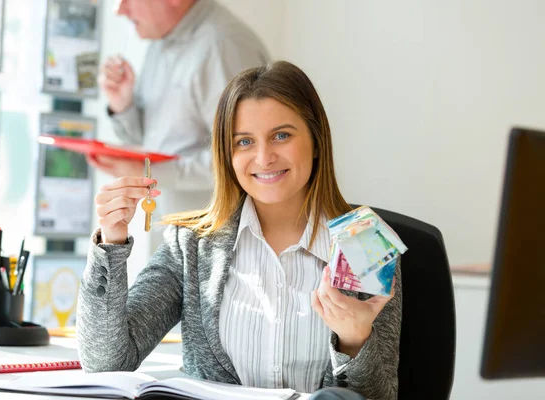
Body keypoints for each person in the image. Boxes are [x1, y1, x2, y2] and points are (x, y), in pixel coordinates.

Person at [78, 61, 402, 400]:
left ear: (317, 141)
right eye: (244, 141)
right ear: (227, 155)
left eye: (281, 136)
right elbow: (105, 363)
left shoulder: (367, 240)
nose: (263, 158)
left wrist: (354, 340)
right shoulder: (190, 244)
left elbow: (379, 396)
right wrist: (110, 243)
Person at [89, 0, 269, 281]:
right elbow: (150, 140)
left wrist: (150, 173)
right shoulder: (160, 42)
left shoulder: (222, 44)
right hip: (176, 244)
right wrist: (122, 106)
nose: (119, 10)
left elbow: (246, 158)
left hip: (223, 258)